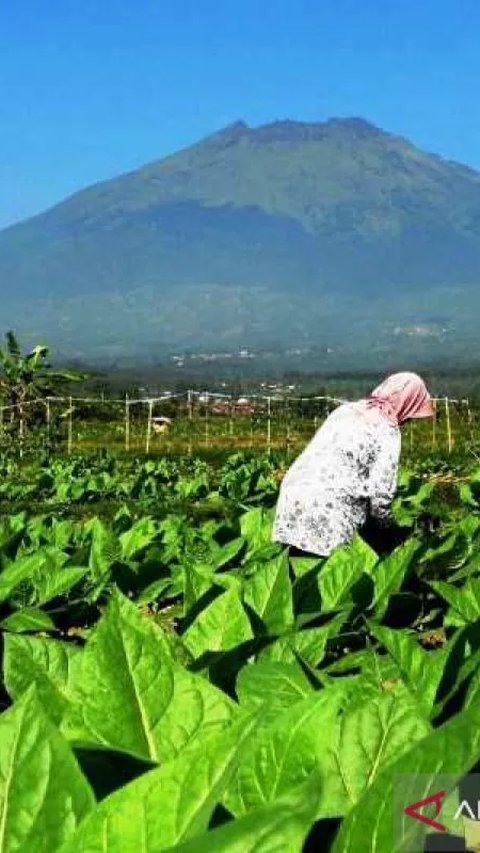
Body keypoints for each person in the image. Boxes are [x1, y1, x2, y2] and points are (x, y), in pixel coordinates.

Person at [272, 372, 434, 558]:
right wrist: (387, 529)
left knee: (296, 569)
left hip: (293, 494)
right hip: (331, 507)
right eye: (412, 414)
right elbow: (381, 492)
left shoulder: (346, 410)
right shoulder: (387, 429)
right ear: (408, 403)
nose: (409, 421)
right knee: (330, 572)